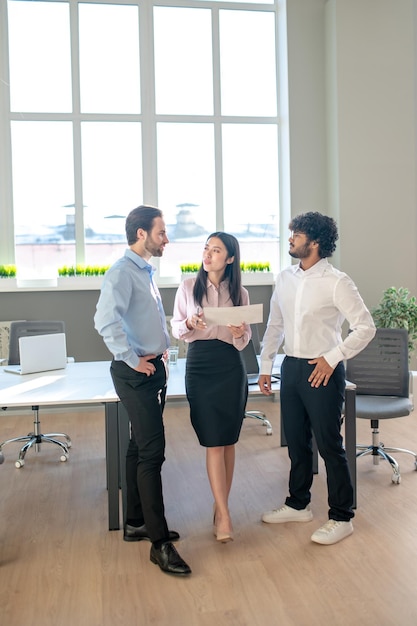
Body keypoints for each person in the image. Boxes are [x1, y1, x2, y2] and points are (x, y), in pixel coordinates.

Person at [258, 212, 376, 545]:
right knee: (297, 442)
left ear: (316, 242)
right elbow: (275, 326)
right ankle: (298, 504)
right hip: (292, 369)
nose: (291, 238)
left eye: (297, 234)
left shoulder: (337, 281)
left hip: (323, 370)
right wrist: (266, 365)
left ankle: (342, 516)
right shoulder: (284, 278)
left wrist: (333, 357)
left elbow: (365, 327)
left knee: (329, 445)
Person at [94, 205, 191, 576]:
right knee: (153, 452)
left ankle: (136, 522)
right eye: (161, 232)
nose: (166, 238)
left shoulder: (143, 271)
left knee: (138, 447)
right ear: (141, 234)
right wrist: (132, 360)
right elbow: (105, 319)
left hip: (152, 370)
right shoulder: (122, 273)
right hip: (136, 373)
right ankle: (159, 543)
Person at [171, 232, 251, 543]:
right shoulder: (189, 287)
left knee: (228, 440)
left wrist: (239, 331)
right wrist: (190, 325)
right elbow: (176, 328)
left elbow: (244, 342)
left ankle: (221, 509)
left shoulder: (240, 292)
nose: (208, 254)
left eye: (216, 250)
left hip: (230, 366)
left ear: (230, 258)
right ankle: (225, 514)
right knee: (213, 441)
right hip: (201, 364)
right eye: (206, 248)